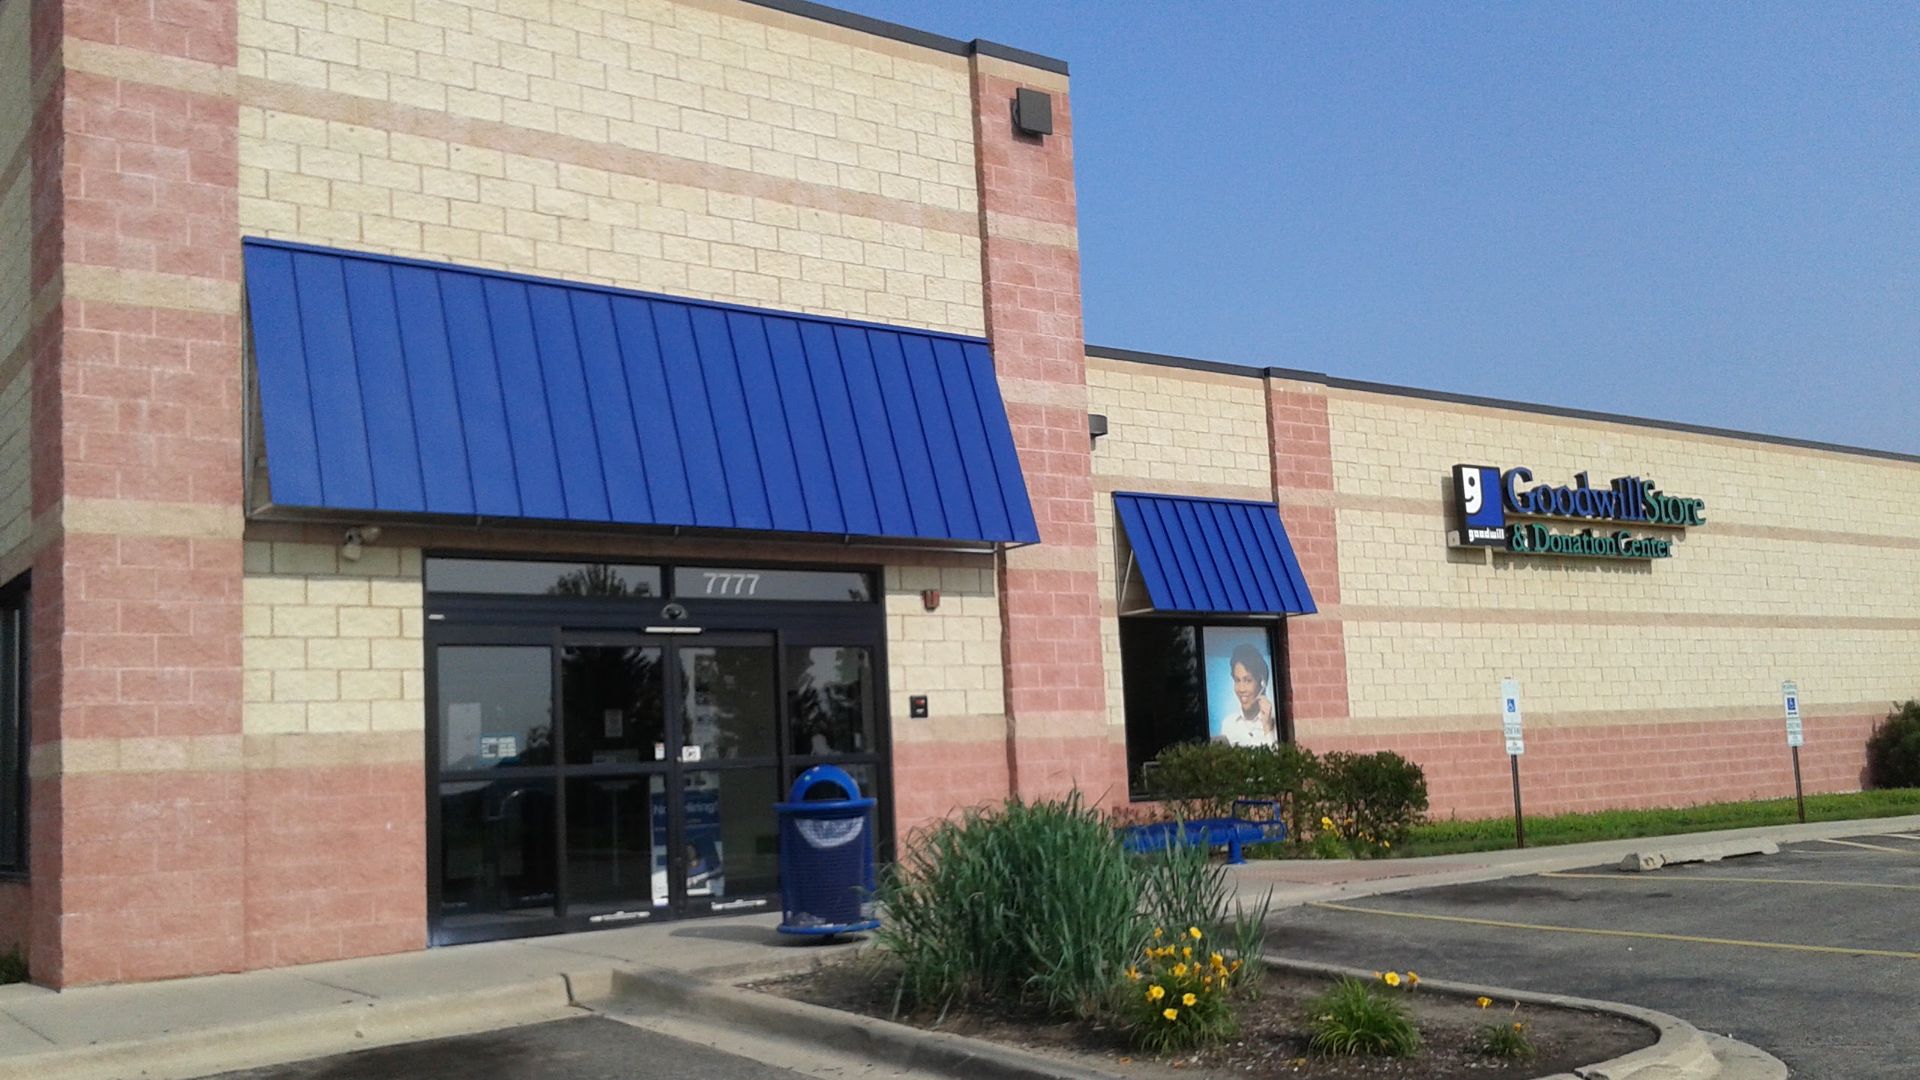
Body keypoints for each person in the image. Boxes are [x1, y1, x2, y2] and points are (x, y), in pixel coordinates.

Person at [1215, 642, 1276, 746]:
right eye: (1237, 680)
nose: (1241, 689)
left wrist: (1267, 727)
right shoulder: (1228, 724)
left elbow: (1277, 760)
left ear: (1262, 683)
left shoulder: (1275, 720)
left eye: (1248, 680)